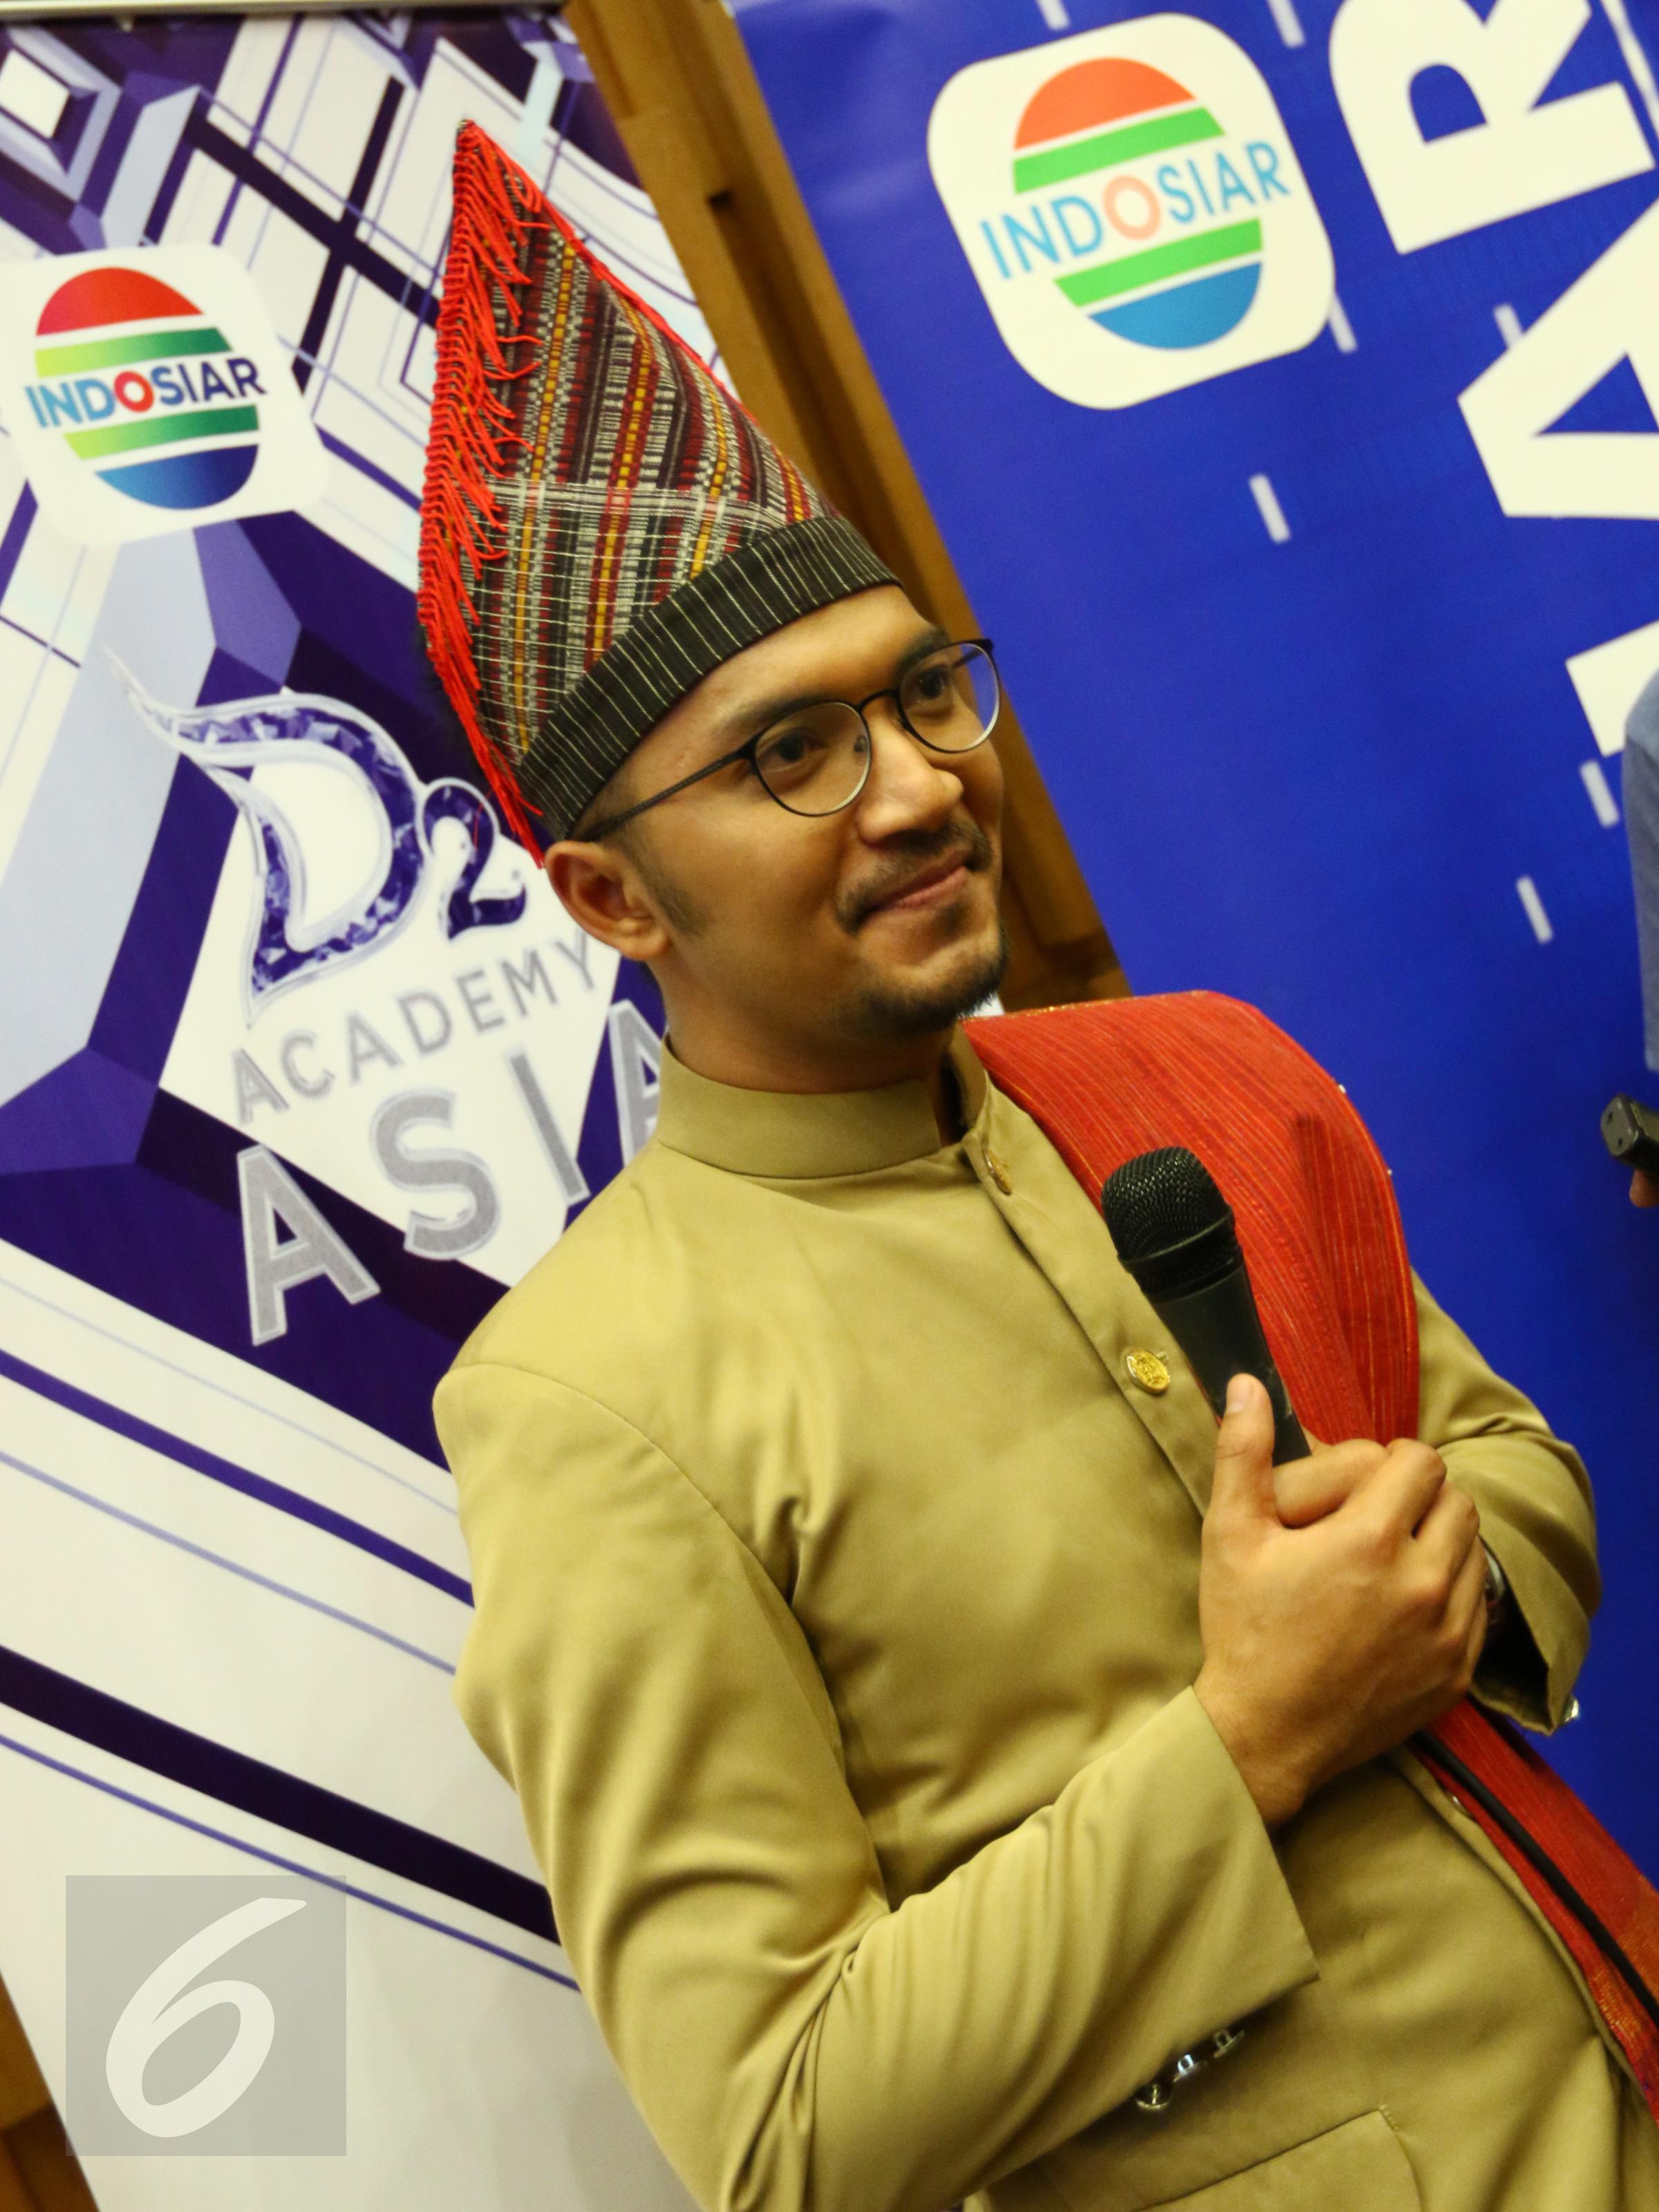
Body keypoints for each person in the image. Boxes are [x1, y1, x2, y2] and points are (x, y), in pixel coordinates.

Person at [421, 124, 1658, 2212]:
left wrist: (1432, 1557)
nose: (921, 788)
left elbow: (1506, 1460)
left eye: (924, 696)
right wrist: (1251, 1737)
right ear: (610, 897)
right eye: (794, 753)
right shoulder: (594, 1400)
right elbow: (783, 2126)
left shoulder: (1199, 1075)